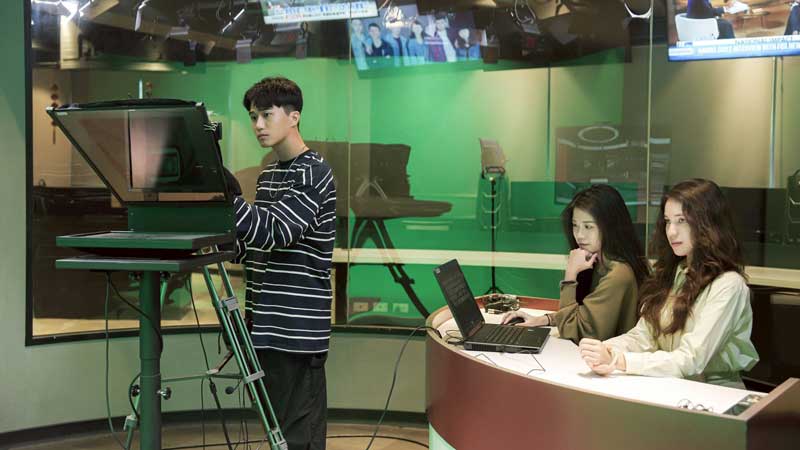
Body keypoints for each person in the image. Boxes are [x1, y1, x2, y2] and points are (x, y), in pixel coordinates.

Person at [232, 77, 337, 450]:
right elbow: (256, 245)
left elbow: (276, 231)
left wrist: (224, 200)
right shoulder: (270, 174)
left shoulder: (312, 172)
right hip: (265, 325)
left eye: (266, 114)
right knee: (279, 435)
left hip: (295, 330)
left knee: (299, 438)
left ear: (294, 117)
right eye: (253, 117)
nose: (258, 125)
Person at [578, 179, 759, 389]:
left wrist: (620, 361)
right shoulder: (674, 274)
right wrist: (606, 349)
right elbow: (644, 336)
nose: (671, 231)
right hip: (671, 387)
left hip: (713, 394)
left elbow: (691, 359)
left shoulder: (729, 285)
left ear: (708, 223)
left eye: (682, 220)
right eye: (667, 221)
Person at [502, 185, 650, 343]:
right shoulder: (597, 262)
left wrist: (570, 275)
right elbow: (583, 314)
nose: (579, 235)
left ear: (610, 226)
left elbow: (575, 333)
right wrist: (544, 319)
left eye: (588, 226)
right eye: (575, 225)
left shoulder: (618, 274)